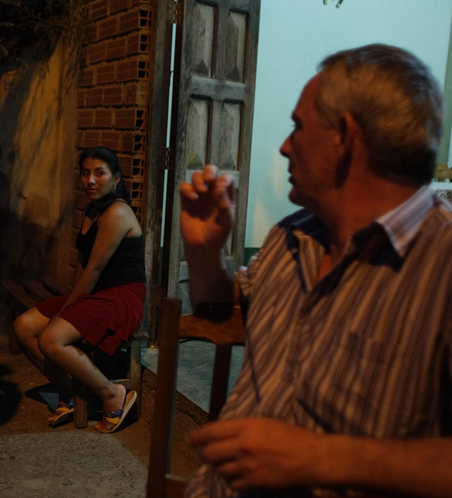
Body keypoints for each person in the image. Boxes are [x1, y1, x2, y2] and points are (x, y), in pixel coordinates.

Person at [178, 43, 452, 497]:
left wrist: (318, 457)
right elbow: (217, 313)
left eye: (297, 127)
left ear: (344, 136)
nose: (285, 146)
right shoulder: (292, 235)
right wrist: (206, 252)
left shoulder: (440, 264)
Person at [14, 146, 146, 433]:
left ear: (116, 179)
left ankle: (111, 393)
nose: (90, 180)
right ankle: (69, 394)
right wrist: (69, 302)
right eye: (86, 173)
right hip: (97, 293)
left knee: (51, 338)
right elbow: (81, 266)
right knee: (24, 326)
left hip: (123, 295)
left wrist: (67, 309)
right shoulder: (91, 210)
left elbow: (94, 269)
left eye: (100, 173)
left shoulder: (117, 212)